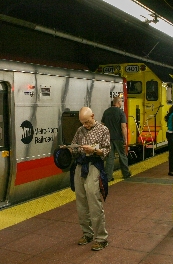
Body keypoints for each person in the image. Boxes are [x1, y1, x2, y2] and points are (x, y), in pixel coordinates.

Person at [68, 107, 110, 251]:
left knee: (94, 201)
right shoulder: (80, 131)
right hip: (80, 166)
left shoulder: (103, 130)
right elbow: (75, 146)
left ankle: (101, 238)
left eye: (87, 122)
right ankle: (87, 233)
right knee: (81, 202)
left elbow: (106, 150)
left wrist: (94, 150)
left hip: (93, 165)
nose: (85, 125)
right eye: (83, 123)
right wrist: (70, 149)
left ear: (93, 115)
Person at [101, 97, 131, 181]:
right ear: (118, 102)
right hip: (118, 138)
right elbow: (123, 127)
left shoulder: (106, 112)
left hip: (108, 138)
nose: (121, 103)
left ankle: (108, 177)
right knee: (122, 155)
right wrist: (125, 139)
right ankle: (126, 173)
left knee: (110, 157)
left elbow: (102, 125)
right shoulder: (121, 112)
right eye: (121, 101)